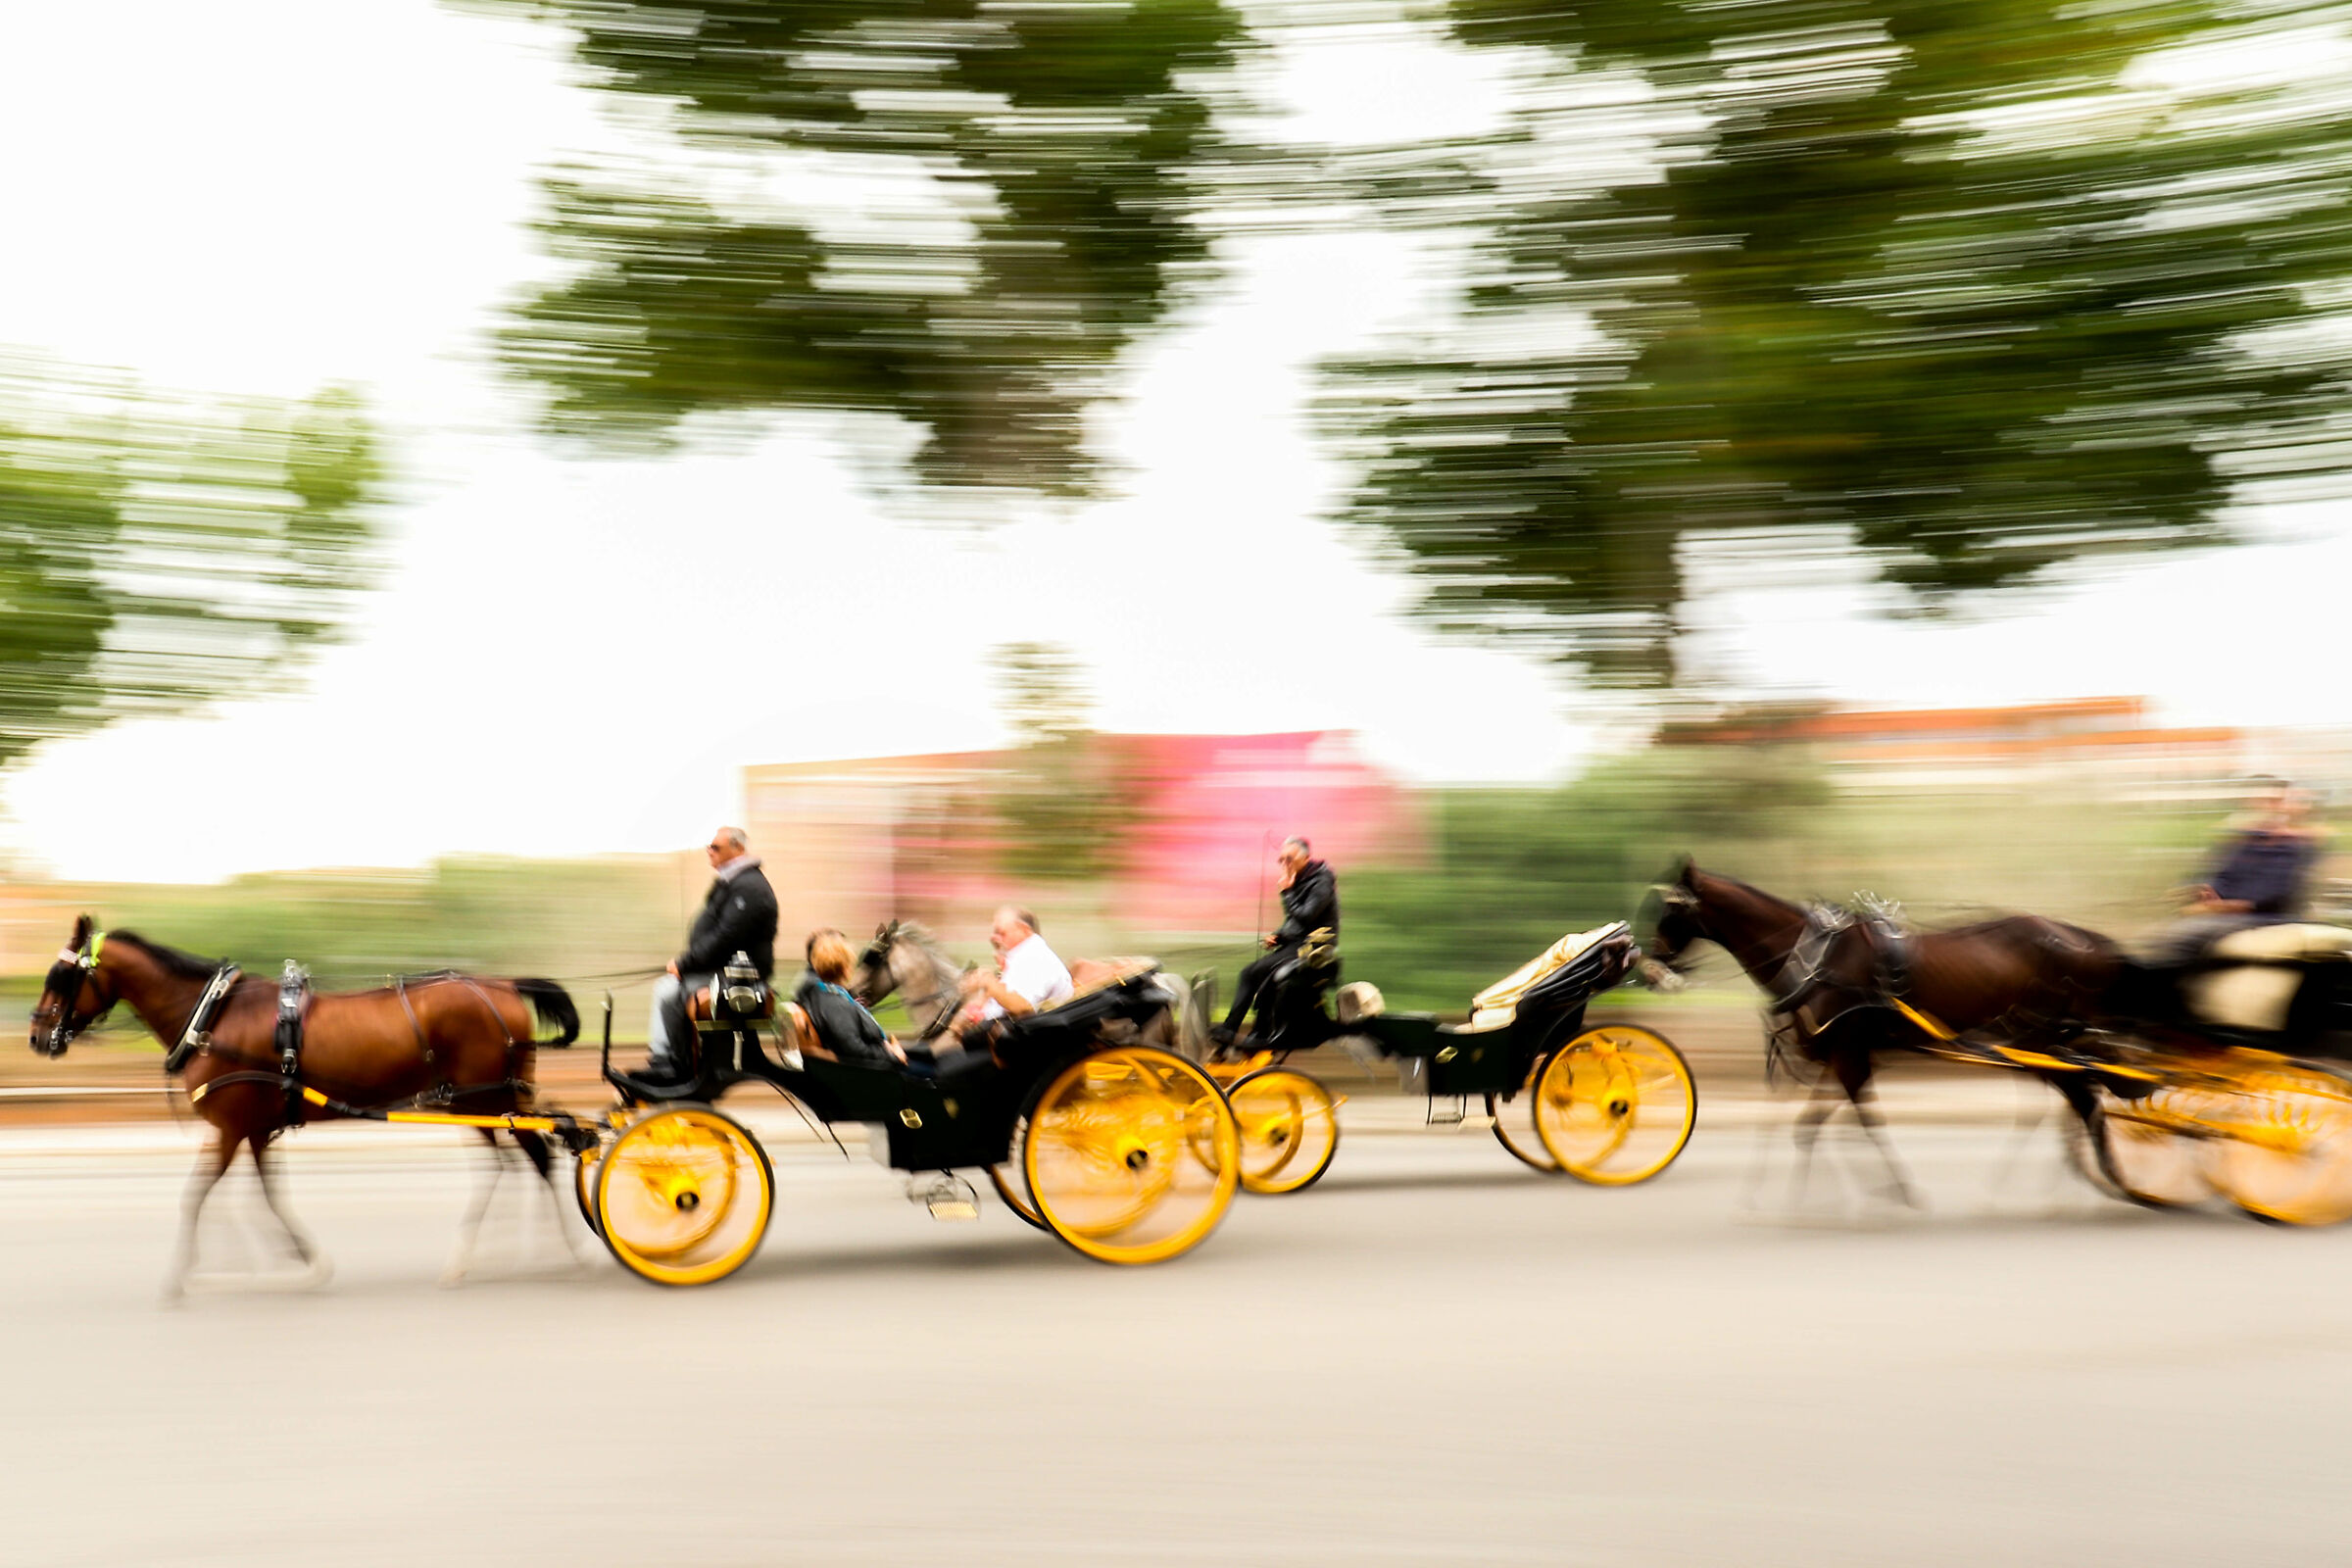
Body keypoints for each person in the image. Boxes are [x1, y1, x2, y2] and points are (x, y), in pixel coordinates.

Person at [643, 826, 779, 1082]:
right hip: (723, 970)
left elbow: (726, 938)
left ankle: (673, 1065)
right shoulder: (734, 882)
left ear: (738, 849)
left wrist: (685, 963)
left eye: (716, 847)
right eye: (709, 846)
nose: (709, 851)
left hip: (741, 976)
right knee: (667, 987)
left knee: (669, 992)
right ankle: (667, 1060)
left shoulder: (749, 887)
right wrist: (688, 963)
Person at [2155, 780, 2327, 963]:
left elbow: (2276, 895)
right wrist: (2199, 888)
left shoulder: (2297, 847)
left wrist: (2221, 907)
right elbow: (2211, 873)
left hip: (2267, 919)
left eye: (2275, 801)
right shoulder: (2242, 842)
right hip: (2224, 915)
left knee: (2185, 936)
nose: (2268, 808)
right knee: (2168, 934)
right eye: (2261, 801)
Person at [1209, 836, 1339, 1050]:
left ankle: (1256, 1033)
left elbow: (1307, 916)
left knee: (1264, 975)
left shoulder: (1321, 881)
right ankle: (1232, 1029)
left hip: (1313, 947)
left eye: (1289, 859)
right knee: (1250, 972)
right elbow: (1295, 921)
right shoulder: (1301, 878)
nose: (1285, 864)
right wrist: (1279, 935)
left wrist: (1287, 892)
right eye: (1281, 860)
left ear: (1305, 857)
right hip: (1296, 943)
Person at [942, 905, 1072, 1048]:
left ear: (1024, 930)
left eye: (1000, 932)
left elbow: (1022, 1007)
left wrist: (988, 982)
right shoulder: (1022, 956)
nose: (994, 937)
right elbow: (1002, 1000)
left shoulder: (1037, 957)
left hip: (1022, 1044)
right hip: (1005, 1036)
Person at [795, 928, 900, 1069]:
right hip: (879, 1072)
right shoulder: (834, 1002)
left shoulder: (820, 993)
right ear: (845, 966)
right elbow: (855, 1051)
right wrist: (892, 1055)